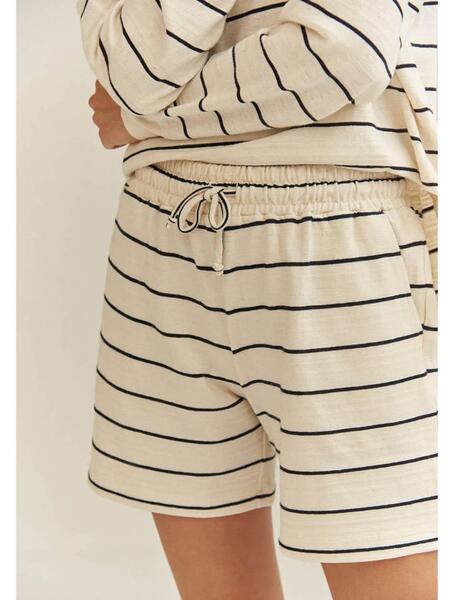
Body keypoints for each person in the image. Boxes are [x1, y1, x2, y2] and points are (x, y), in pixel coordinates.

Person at [77, 1, 438, 598]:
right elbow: (133, 68)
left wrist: (149, 120)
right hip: (160, 237)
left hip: (344, 250)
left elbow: (345, 53)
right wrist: (144, 108)